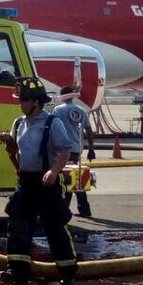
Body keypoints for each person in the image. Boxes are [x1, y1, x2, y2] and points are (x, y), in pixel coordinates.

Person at [0, 76, 81, 285]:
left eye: (23, 99)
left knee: (56, 230)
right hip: (26, 183)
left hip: (46, 185)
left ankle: (67, 280)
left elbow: (64, 150)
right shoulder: (18, 123)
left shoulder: (52, 123)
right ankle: (18, 273)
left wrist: (54, 171)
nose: (19, 103)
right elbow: (15, 152)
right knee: (17, 228)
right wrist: (8, 145)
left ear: (36, 101)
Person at [52, 86, 94, 219]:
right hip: (76, 150)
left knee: (66, 179)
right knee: (75, 177)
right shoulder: (80, 110)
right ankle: (83, 208)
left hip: (62, 150)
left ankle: (64, 210)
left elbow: (52, 127)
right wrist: (91, 149)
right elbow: (89, 130)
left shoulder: (58, 110)